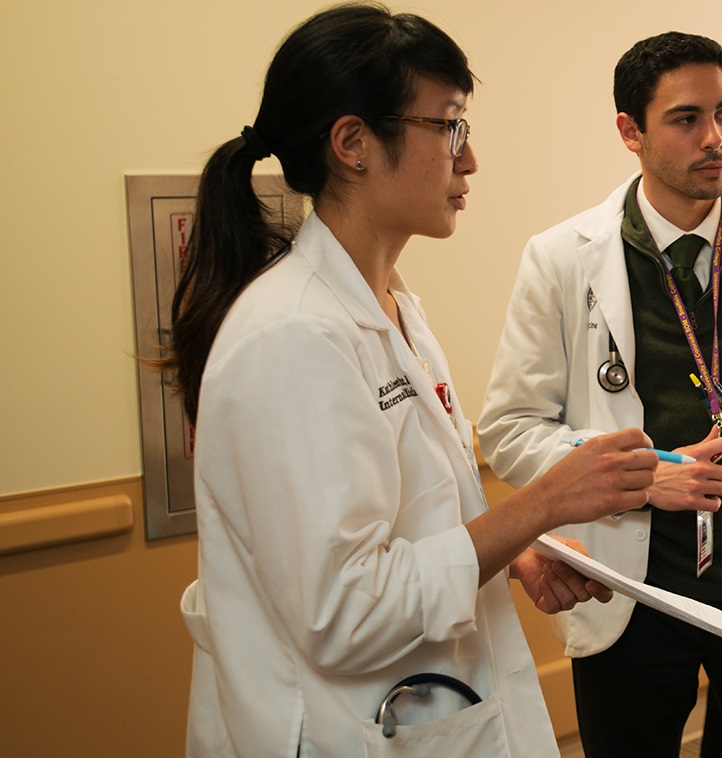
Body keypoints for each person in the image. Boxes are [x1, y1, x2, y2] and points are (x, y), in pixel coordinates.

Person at [167, 5, 658, 755]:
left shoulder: (391, 308)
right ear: (354, 144)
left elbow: (404, 527)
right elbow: (344, 610)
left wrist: (516, 550)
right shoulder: (295, 335)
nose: (470, 160)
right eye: (450, 126)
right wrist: (542, 503)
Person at [477, 31, 722, 757]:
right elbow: (511, 428)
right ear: (630, 131)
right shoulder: (561, 259)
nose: (715, 138)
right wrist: (642, 475)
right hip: (633, 593)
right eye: (686, 119)